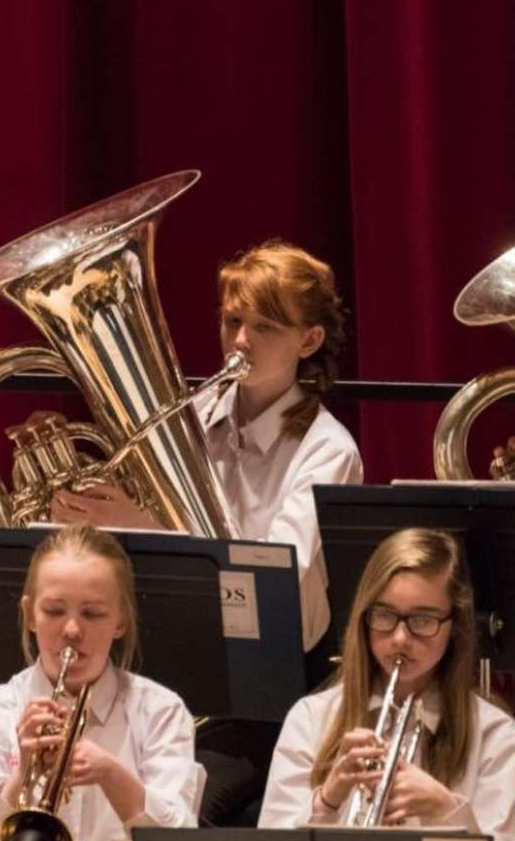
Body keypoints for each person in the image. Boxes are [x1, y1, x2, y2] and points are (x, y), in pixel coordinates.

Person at [52, 240, 363, 674]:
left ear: (309, 340)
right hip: (172, 642)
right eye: (233, 320)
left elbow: (271, 582)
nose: (240, 341)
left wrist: (147, 528)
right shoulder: (191, 416)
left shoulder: (327, 450)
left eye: (266, 326)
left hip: (273, 667)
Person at [258, 528, 515, 841]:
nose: (400, 638)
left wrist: (447, 810)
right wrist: (327, 800)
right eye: (384, 615)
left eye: (422, 620)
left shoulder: (495, 734)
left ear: (454, 626)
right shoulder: (310, 718)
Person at [0, 524, 201, 841]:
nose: (71, 629)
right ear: (29, 615)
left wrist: (111, 774)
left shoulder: (161, 711)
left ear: (120, 621)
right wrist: (23, 771)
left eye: (92, 614)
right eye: (53, 611)